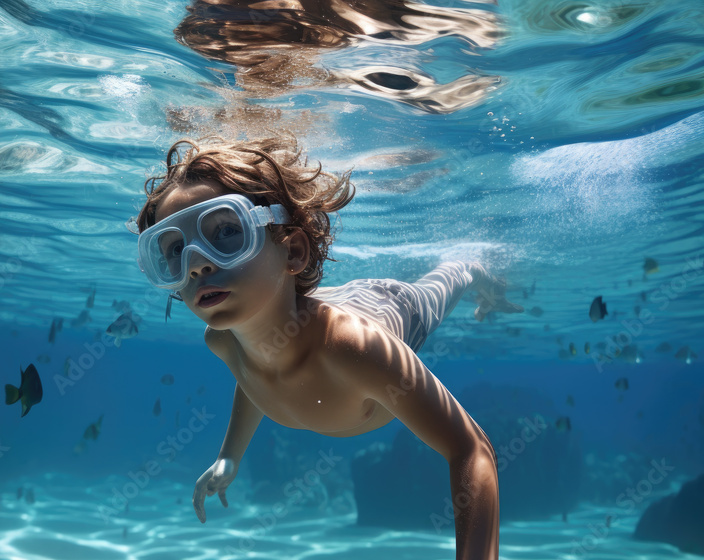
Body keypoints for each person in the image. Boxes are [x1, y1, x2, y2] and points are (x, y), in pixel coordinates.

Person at [133, 135, 522, 559]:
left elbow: (471, 449)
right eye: (173, 250)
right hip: (308, 303)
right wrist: (230, 455)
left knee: (443, 284)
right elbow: (253, 376)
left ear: (293, 251)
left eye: (226, 231)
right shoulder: (224, 340)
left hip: (390, 305)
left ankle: (468, 266)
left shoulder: (357, 349)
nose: (196, 264)